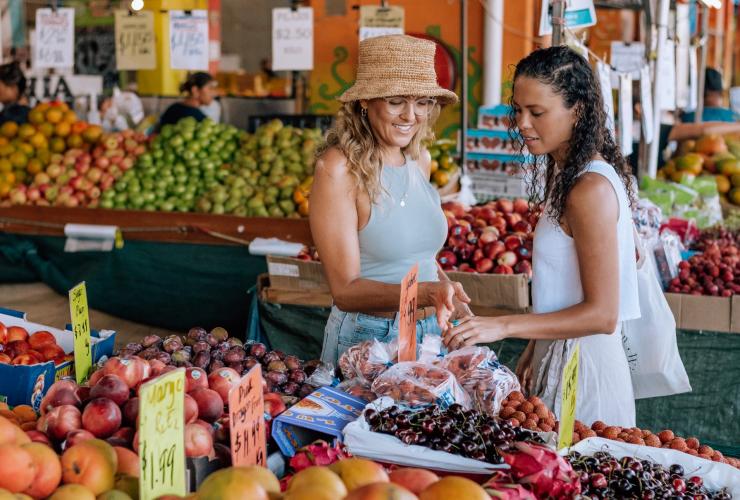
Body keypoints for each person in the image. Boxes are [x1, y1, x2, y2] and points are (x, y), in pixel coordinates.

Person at [445, 46, 640, 427]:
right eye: (518, 110)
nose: (522, 123)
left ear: (578, 110)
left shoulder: (589, 189)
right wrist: (537, 341)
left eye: (537, 112)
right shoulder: (568, 172)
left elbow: (602, 315)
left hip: (586, 373)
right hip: (564, 355)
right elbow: (572, 284)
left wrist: (502, 326)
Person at [310, 35, 471, 366]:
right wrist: (424, 292)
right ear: (366, 102)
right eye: (396, 101)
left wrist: (450, 296)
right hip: (367, 337)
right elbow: (345, 291)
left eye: (423, 102)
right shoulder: (338, 169)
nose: (410, 116)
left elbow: (418, 255)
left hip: (429, 332)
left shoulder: (420, 160)